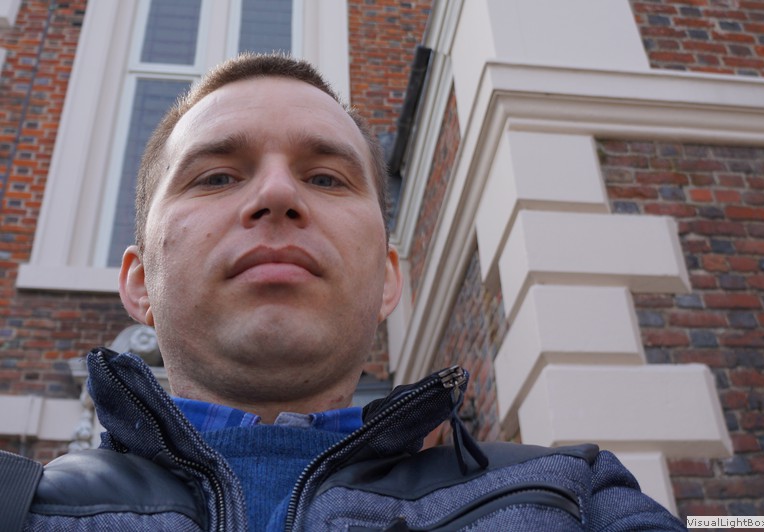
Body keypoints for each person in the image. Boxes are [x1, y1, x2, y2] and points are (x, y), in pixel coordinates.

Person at [2, 53, 686, 531]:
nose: (277, 194)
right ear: (139, 282)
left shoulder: (577, 499)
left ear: (389, 279)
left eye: (327, 178)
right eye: (216, 177)